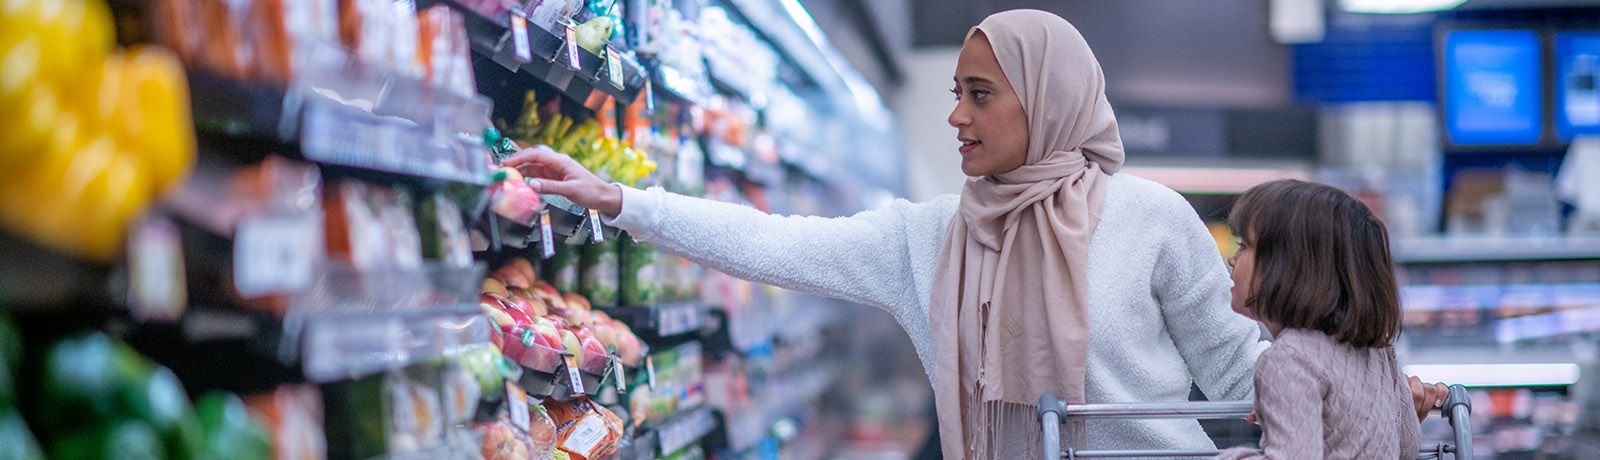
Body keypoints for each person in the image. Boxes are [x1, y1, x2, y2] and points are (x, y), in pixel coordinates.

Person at [504, 9, 1445, 459]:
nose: (957, 115)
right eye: (954, 90)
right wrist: (621, 201)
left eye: (980, 94)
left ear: (1048, 101)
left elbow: (1247, 370)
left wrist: (1377, 389)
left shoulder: (1150, 215)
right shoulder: (926, 239)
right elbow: (774, 241)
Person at [1215, 180, 1421, 459]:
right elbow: (1407, 447)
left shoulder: (1288, 359)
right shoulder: (1379, 351)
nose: (1232, 259)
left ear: (1288, 267)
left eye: (1244, 245)